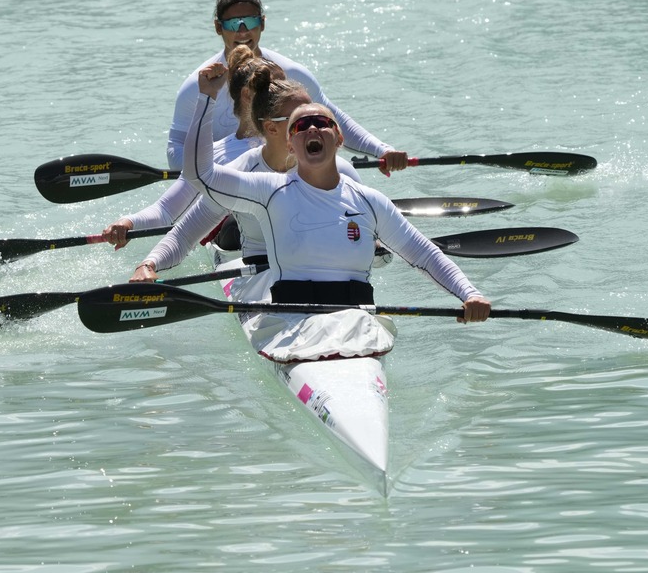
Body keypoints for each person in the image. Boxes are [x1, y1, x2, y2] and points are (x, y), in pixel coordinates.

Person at [184, 61, 490, 362]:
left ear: (339, 139)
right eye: (301, 126)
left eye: (322, 123)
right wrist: (206, 99)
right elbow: (201, 176)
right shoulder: (267, 191)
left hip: (358, 326)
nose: (312, 128)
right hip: (292, 327)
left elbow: (424, 255)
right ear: (290, 143)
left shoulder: (370, 201)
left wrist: (469, 294)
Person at [127, 65, 369, 302]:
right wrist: (148, 264)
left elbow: (375, 242)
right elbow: (185, 233)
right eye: (300, 121)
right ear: (271, 127)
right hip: (261, 280)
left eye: (318, 118)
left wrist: (373, 245)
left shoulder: (342, 172)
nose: (313, 125)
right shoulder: (243, 171)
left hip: (330, 278)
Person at [165, 0, 409, 176]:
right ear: (219, 28)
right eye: (232, 24)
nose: (242, 30)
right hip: (227, 191)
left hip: (287, 181)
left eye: (250, 21)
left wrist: (382, 150)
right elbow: (176, 149)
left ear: (262, 23)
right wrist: (219, 176)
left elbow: (335, 121)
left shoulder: (291, 74)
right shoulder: (196, 87)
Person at [100, 46, 278, 248]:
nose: (287, 93)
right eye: (278, 87)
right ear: (247, 95)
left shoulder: (299, 141)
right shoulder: (214, 155)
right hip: (236, 242)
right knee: (232, 225)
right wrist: (128, 223)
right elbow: (166, 211)